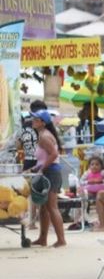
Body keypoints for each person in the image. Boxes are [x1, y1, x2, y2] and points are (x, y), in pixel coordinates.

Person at [28, 110, 66, 248]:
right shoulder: (43, 135)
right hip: (48, 171)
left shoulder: (44, 136)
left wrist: (42, 168)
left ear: (43, 122)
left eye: (36, 119)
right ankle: (42, 238)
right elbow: (46, 157)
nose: (33, 120)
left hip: (51, 173)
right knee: (43, 207)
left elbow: (54, 154)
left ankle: (61, 240)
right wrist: (36, 168)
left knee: (51, 207)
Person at [18, 100, 48, 229]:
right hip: (40, 161)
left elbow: (18, 143)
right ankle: (40, 220)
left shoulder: (24, 125)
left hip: (28, 161)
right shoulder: (42, 125)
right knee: (42, 192)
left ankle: (31, 221)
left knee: (30, 193)